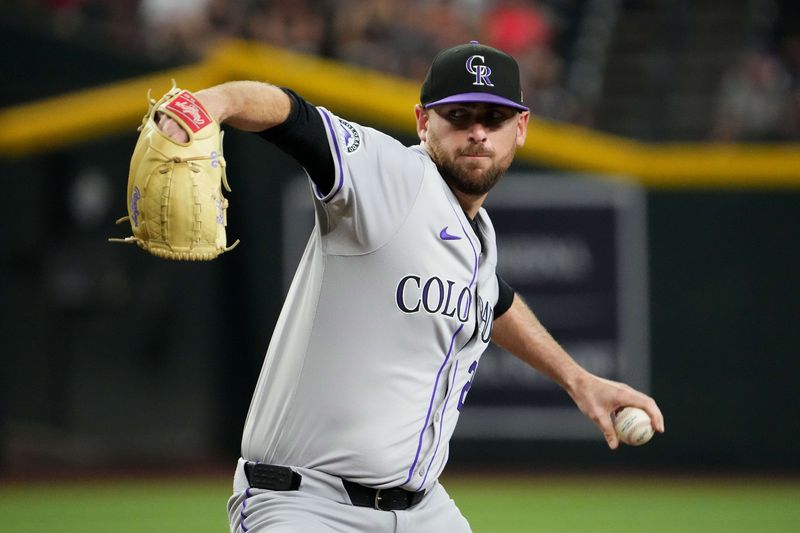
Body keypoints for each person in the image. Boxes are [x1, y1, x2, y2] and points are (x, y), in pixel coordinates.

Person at [159, 41, 664, 533]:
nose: (478, 133)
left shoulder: (477, 238)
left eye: (494, 118)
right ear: (424, 122)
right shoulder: (391, 176)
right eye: (460, 116)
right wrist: (213, 102)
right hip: (306, 504)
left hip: (422, 511)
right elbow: (296, 118)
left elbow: (493, 301)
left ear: (521, 128)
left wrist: (580, 380)